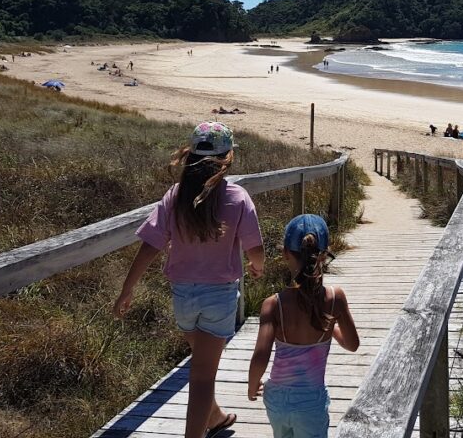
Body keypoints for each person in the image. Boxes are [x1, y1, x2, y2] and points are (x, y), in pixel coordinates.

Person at [113, 122, 264, 438]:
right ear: (228, 157)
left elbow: (151, 245)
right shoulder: (237, 197)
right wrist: (257, 266)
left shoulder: (176, 197)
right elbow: (256, 249)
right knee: (202, 376)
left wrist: (128, 289)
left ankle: (216, 417)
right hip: (218, 297)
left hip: (183, 297)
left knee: (200, 363)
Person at [248, 215, 359, 437]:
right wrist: (330, 326)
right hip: (311, 401)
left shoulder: (273, 304)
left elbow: (261, 354)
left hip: (276, 399)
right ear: (325, 254)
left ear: (285, 253)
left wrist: (252, 385)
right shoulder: (335, 298)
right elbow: (352, 344)